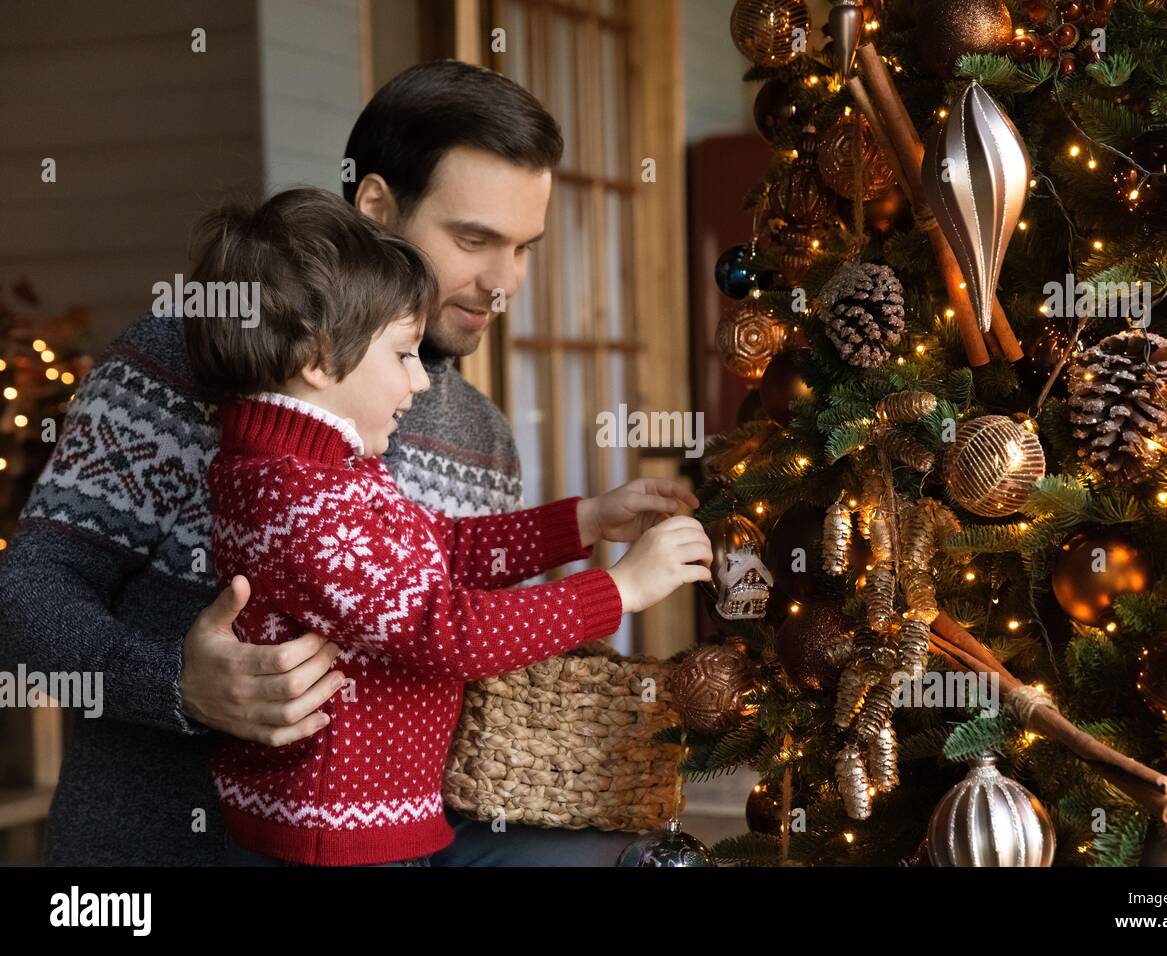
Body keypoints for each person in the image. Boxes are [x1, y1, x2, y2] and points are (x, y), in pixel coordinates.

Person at [0, 61, 673, 865]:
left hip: (400, 834)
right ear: (378, 207)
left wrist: (587, 538)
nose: (504, 283)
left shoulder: (482, 437)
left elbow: (462, 649)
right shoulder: (181, 361)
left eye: (524, 247)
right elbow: (29, 593)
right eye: (474, 239)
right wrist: (174, 683)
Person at [183, 187, 707, 866]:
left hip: (361, 828)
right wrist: (620, 591)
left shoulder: (319, 476)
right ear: (316, 358)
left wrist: (585, 519)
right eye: (402, 355)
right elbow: (447, 630)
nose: (422, 381)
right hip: (337, 844)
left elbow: (445, 548)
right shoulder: (304, 504)